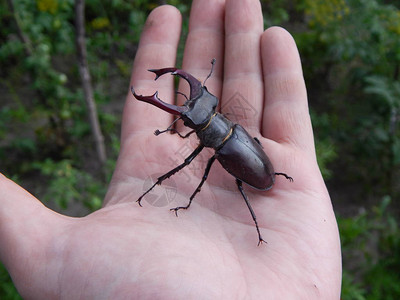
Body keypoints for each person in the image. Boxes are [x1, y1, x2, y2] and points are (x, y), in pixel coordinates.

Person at [0, 0, 342, 298]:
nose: (193, 110)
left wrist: (189, 196)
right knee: (225, 165)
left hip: (258, 175)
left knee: (228, 182)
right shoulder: (234, 131)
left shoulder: (223, 149)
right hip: (245, 150)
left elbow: (203, 164)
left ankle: (248, 221)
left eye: (197, 114)